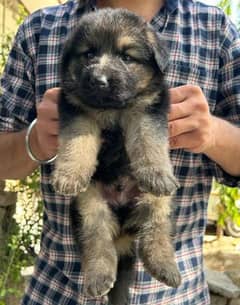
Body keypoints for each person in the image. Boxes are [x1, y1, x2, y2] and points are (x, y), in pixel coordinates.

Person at [0, 0, 240, 304]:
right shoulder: (39, 29)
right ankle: (98, 263)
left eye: (127, 57)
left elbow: (149, 127)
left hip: (178, 296)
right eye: (88, 55)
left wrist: (215, 134)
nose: (100, 73)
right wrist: (34, 141)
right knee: (89, 204)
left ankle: (157, 249)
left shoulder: (215, 29)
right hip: (58, 292)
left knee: (157, 199)